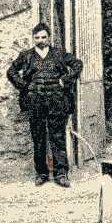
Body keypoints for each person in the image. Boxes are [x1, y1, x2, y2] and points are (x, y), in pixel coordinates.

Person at [6, 22, 83, 187]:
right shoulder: (26, 56)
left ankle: (61, 174)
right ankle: (41, 173)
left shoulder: (59, 54)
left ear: (49, 37)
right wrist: (23, 85)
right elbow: (11, 72)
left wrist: (66, 80)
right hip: (35, 102)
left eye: (43, 37)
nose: (40, 40)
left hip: (56, 101)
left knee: (58, 137)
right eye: (37, 37)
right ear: (33, 38)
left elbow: (77, 64)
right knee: (38, 138)